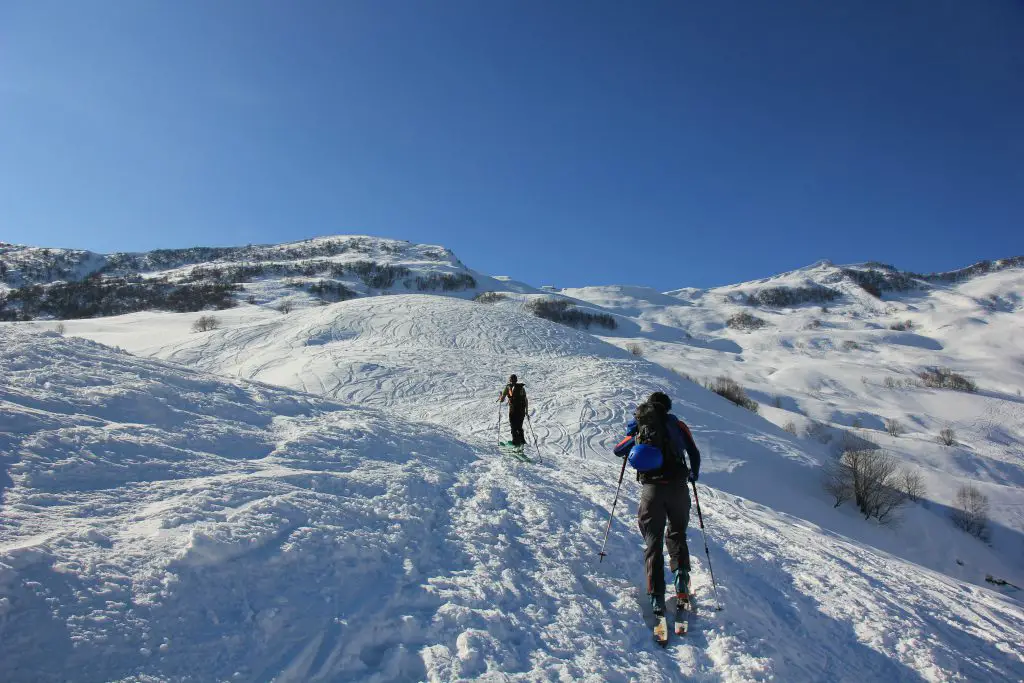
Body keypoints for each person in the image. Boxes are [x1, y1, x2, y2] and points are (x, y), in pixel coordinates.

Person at [613, 391, 701, 617]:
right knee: (677, 532)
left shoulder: (640, 425)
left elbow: (618, 450)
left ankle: (656, 598)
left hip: (652, 490)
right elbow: (694, 452)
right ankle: (681, 582)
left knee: (653, 541)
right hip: (678, 487)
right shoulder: (677, 426)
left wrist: (634, 437)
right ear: (667, 407)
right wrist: (693, 475)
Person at [498, 374, 528, 446]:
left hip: (513, 410)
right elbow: (525, 400)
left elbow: (502, 400)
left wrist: (500, 396)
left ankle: (516, 443)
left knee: (513, 427)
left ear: (510, 380)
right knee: (519, 426)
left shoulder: (508, 387)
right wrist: (526, 411)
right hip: (521, 411)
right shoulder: (521, 388)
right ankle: (522, 442)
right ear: (516, 380)